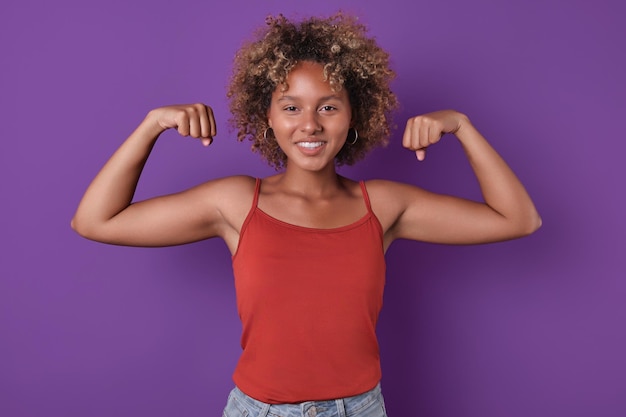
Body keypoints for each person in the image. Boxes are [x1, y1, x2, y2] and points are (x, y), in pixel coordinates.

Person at [71, 13, 541, 417]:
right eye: (291, 107)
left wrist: (461, 126)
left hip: (359, 409)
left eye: (329, 107)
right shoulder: (236, 203)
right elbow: (96, 220)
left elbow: (518, 219)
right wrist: (151, 125)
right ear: (267, 117)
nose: (310, 124)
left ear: (354, 116)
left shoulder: (383, 206)